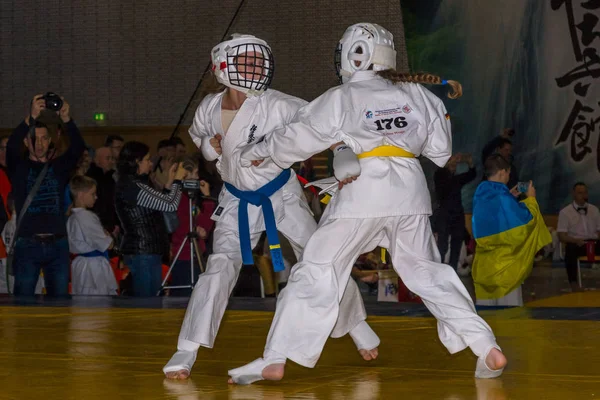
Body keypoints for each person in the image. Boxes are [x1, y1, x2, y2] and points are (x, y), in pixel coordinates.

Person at [229, 23, 507, 384]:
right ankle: (485, 344)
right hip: (410, 191)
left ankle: (276, 357)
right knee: (428, 272)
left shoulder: (341, 97)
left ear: (352, 54)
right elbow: (440, 152)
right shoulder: (419, 94)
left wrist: (256, 152)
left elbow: (292, 140)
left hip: (362, 189)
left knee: (317, 270)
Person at [163, 33, 379, 380]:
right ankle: (187, 347)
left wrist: (341, 152)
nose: (256, 67)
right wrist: (210, 146)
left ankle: (355, 325)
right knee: (218, 267)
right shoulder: (208, 107)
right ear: (223, 66)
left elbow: (322, 122)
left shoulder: (279, 104)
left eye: (260, 61)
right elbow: (200, 138)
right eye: (248, 61)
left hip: (283, 195)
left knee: (320, 258)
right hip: (236, 200)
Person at [7, 94, 85, 296]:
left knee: (59, 305)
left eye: (44, 138)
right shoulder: (19, 168)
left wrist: (67, 119)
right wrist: (29, 118)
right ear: (26, 141)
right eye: (34, 138)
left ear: (50, 140)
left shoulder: (58, 166)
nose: (39, 144)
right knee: (23, 303)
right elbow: (12, 147)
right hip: (28, 244)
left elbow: (77, 149)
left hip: (58, 245)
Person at [471, 155, 551, 306]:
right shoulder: (503, 198)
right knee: (510, 319)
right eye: (508, 173)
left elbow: (499, 217)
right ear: (502, 172)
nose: (509, 177)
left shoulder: (480, 195)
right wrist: (531, 199)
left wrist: (510, 196)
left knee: (486, 320)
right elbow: (524, 225)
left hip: (484, 268)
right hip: (506, 270)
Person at [114, 141, 186, 296]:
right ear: (136, 162)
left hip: (147, 250)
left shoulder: (136, 184)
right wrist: (178, 181)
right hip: (142, 252)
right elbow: (170, 205)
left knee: (151, 300)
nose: (150, 163)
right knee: (146, 302)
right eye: (146, 159)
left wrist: (169, 183)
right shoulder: (133, 187)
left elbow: (160, 204)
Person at [67, 175, 118, 295]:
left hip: (80, 265)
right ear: (80, 194)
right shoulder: (86, 216)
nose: (96, 197)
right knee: (97, 303)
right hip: (92, 268)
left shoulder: (71, 218)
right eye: (92, 194)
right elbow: (108, 245)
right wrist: (109, 237)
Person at [433, 153, 476, 270]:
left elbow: (472, 174)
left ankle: (453, 270)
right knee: (442, 245)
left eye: (455, 165)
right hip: (444, 213)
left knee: (457, 243)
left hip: (457, 214)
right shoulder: (440, 175)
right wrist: (450, 163)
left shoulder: (456, 179)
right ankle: (439, 270)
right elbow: (446, 178)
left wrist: (469, 162)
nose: (454, 166)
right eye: (451, 163)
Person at [557, 182, 600, 291]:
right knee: (570, 249)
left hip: (594, 242)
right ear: (574, 194)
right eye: (580, 193)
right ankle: (574, 283)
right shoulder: (565, 212)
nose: (583, 195)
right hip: (577, 244)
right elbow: (562, 236)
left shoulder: (595, 210)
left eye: (585, 193)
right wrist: (575, 240)